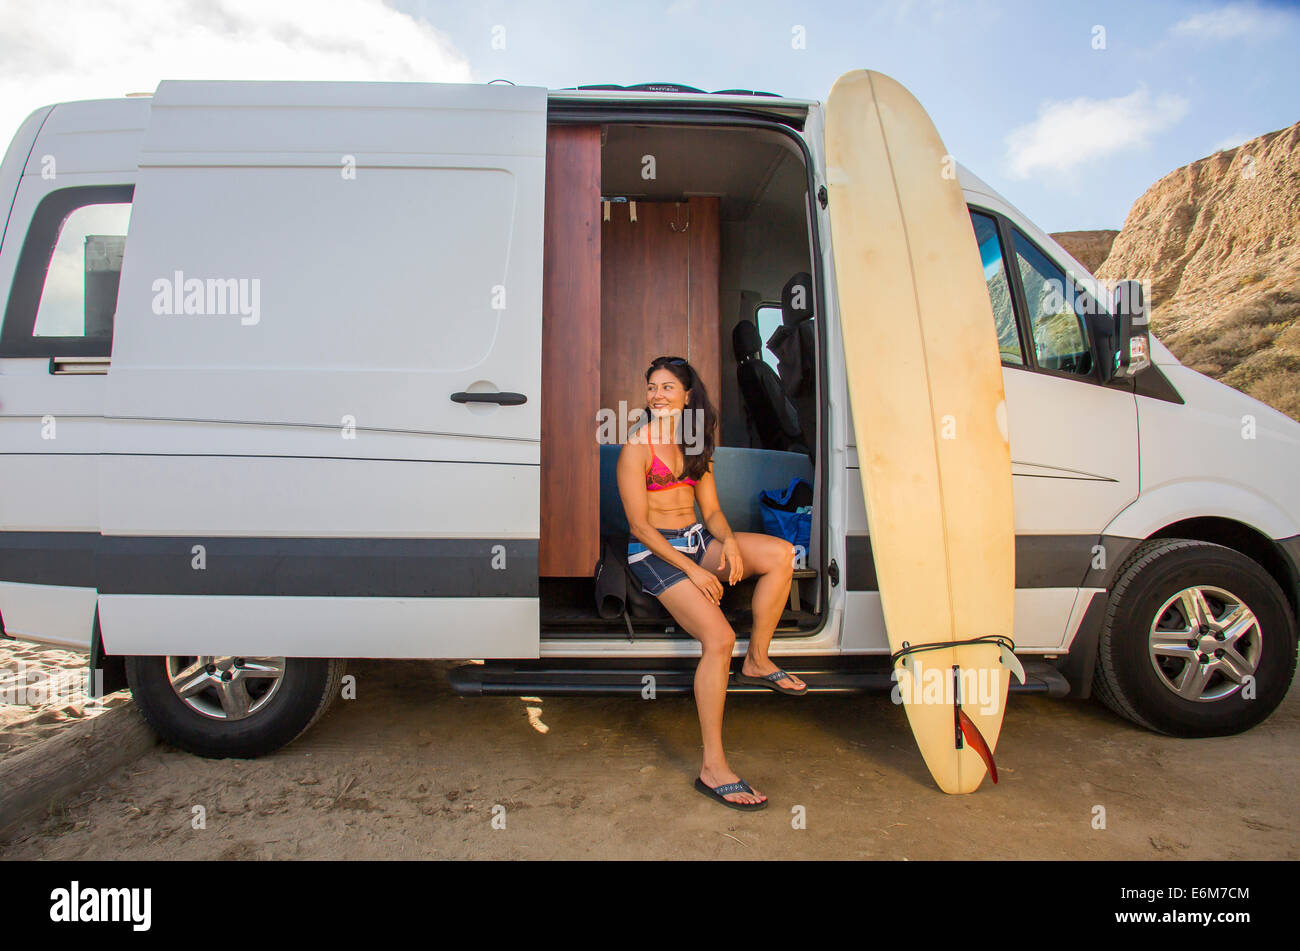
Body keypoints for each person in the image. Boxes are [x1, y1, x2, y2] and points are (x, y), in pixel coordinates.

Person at [616, 355, 804, 812]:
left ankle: (758, 659)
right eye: (651, 387)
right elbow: (639, 527)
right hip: (655, 552)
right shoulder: (636, 448)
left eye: (666, 387)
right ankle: (713, 768)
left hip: (698, 541)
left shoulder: (696, 446)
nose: (656, 395)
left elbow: (713, 512)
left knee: (780, 554)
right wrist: (693, 570)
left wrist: (731, 543)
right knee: (719, 638)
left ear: (687, 396)